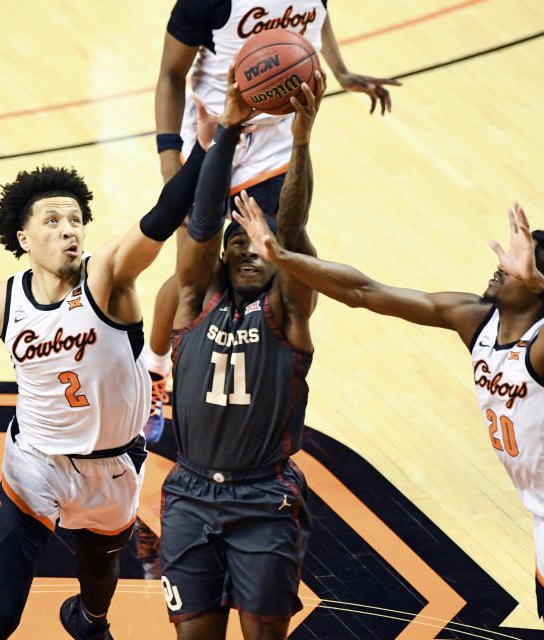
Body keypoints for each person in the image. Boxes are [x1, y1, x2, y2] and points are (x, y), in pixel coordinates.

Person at [232, 198, 544, 639]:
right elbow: (366, 292)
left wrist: (541, 285)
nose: (501, 266)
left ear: (538, 283)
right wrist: (281, 257)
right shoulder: (476, 319)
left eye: (517, 266)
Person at [0, 102, 218, 640]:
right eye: (52, 221)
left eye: (76, 220)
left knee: (97, 588)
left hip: (114, 467)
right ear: (24, 239)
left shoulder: (107, 278)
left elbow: (161, 218)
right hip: (35, 464)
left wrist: (204, 148)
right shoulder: (1, 302)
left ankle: (88, 621)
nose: (70, 230)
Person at [144, 0, 401, 435]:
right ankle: (153, 373)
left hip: (275, 149)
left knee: (280, 261)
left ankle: (258, 372)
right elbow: (171, 74)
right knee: (193, 271)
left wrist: (339, 71)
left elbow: (317, 21)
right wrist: (171, 161)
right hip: (214, 133)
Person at [156, 65, 323, 639]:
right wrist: (224, 131)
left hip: (264, 496)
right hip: (190, 491)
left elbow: (295, 228)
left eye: (260, 246)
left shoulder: (288, 310)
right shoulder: (192, 301)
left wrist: (300, 139)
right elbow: (200, 226)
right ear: (224, 256)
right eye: (239, 244)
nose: (250, 253)